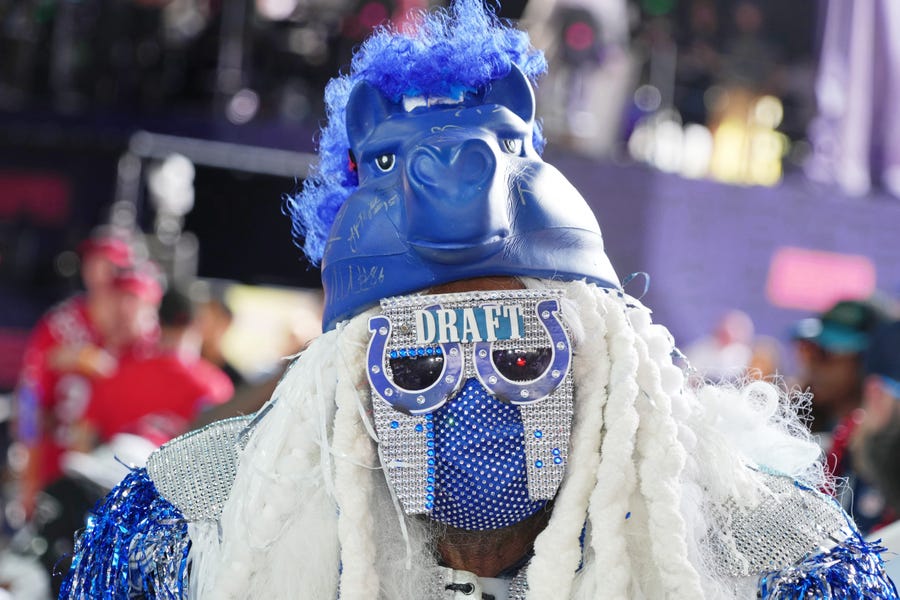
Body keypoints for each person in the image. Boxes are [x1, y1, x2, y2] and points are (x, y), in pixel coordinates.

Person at [60, 2, 897, 599]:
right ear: (345, 380)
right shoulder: (189, 531)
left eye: (523, 356)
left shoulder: (768, 558)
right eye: (418, 364)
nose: (475, 395)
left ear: (604, 357)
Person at [12, 229, 134, 517]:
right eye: (94, 261)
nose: (100, 273)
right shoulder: (60, 326)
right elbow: (29, 400)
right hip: (58, 471)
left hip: (122, 475)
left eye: (111, 264)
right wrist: (28, 479)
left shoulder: (144, 331)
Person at [73, 286, 233, 451]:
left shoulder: (114, 374)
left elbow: (81, 442)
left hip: (114, 472)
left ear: (158, 320)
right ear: (199, 324)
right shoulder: (215, 387)